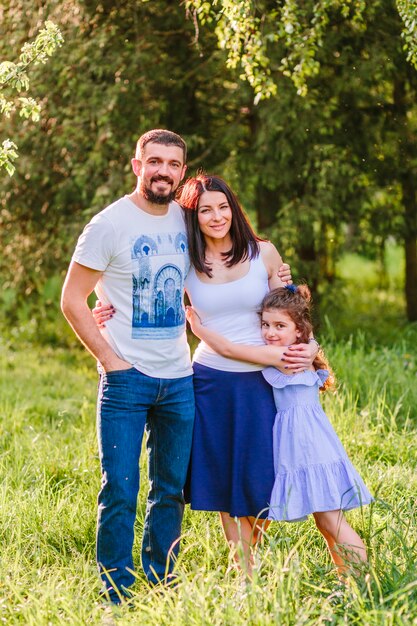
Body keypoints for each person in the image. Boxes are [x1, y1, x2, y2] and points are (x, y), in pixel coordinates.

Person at [93, 173, 314, 578]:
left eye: (223, 207)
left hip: (266, 378)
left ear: (234, 208)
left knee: (263, 472)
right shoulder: (187, 261)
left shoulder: (262, 253)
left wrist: (312, 347)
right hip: (211, 379)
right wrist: (105, 306)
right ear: (193, 217)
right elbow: (141, 287)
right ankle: (243, 569)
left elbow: (291, 309)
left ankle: (248, 556)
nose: (216, 217)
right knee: (226, 476)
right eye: (206, 210)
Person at [61, 129, 197, 604]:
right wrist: (110, 360)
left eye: (173, 164)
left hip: (180, 378)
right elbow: (72, 299)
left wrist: (279, 275)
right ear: (136, 165)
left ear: (182, 172)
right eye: (154, 161)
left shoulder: (186, 218)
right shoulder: (108, 224)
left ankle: (161, 583)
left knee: (171, 490)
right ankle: (116, 592)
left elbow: (231, 254)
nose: (163, 171)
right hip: (126, 379)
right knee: (119, 488)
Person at [186, 284, 373, 578]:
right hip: (315, 446)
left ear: (299, 331)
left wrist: (199, 330)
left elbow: (229, 350)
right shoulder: (299, 350)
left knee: (333, 523)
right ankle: (348, 583)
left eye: (280, 326)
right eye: (265, 324)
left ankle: (364, 583)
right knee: (327, 524)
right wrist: (310, 341)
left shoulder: (287, 358)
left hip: (307, 450)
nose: (270, 333)